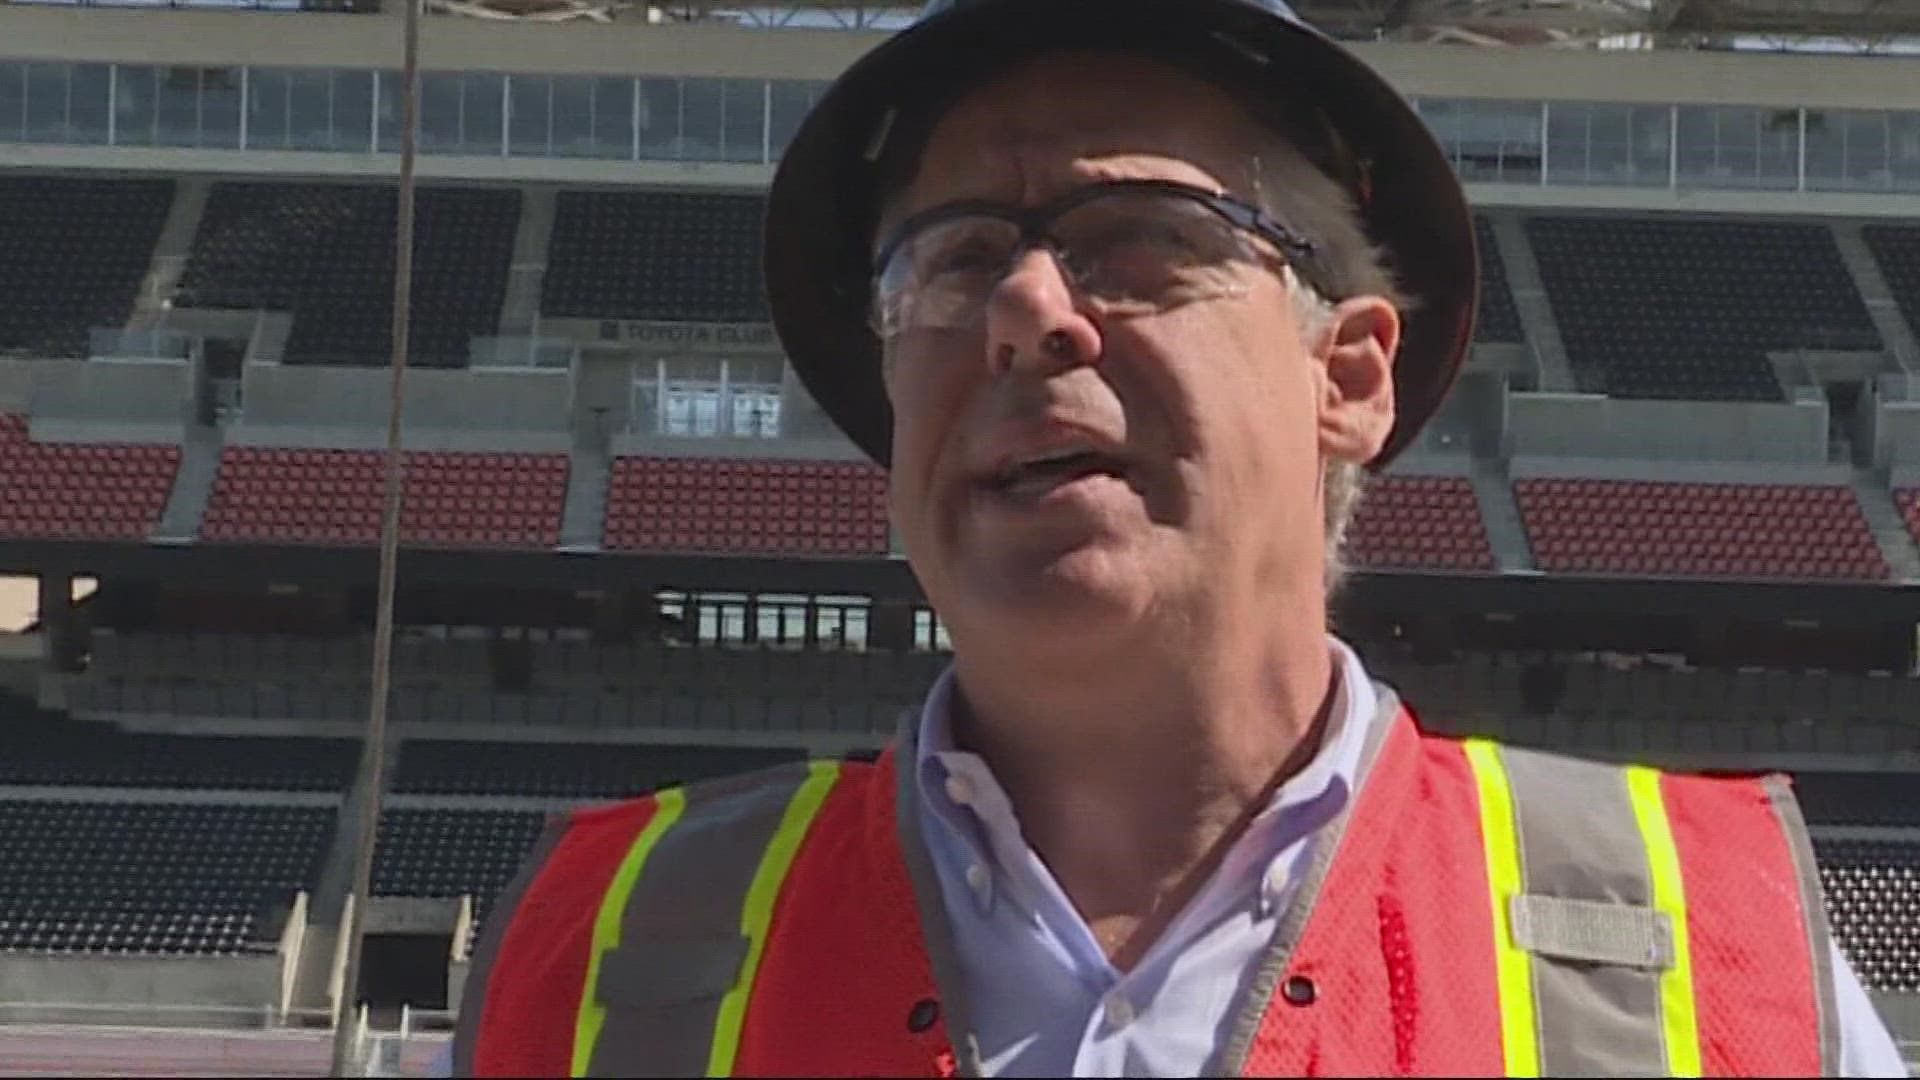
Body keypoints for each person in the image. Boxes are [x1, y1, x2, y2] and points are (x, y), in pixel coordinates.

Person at [449, 1, 1908, 1075]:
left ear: (1347, 377)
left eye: (1141, 234)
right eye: (954, 260)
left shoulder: (1722, 957)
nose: (1025, 308)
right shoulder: (594, 952)